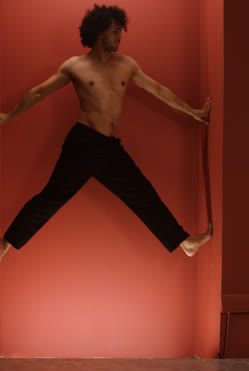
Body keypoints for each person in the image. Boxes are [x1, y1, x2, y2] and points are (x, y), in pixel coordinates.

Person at [0, 4, 213, 262]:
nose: (119, 36)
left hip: (109, 147)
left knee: (142, 193)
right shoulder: (74, 66)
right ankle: (4, 244)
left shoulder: (127, 65)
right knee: (51, 199)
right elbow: (38, 92)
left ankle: (185, 242)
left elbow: (158, 90)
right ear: (100, 33)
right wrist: (8, 115)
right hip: (83, 143)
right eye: (115, 32)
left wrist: (191, 110)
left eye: (120, 31)